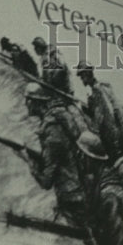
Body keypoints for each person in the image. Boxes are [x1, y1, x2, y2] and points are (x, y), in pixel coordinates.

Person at [21, 84, 89, 227]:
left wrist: (30, 162)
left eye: (27, 100)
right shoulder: (56, 122)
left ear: (35, 102)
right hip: (77, 193)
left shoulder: (52, 132)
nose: (25, 104)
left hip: (71, 200)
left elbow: (46, 182)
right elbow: (58, 158)